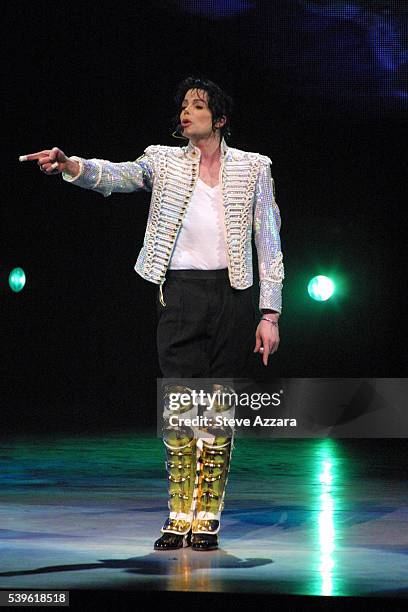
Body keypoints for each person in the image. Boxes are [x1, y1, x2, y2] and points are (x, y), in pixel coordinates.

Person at [19, 76, 284, 551]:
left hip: (231, 294)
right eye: (183, 106)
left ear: (219, 119)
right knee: (181, 408)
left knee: (217, 411)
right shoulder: (161, 160)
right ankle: (178, 513)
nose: (186, 113)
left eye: (197, 106)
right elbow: (118, 175)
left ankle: (207, 517)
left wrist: (270, 313)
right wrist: (70, 166)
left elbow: (269, 241)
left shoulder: (253, 168)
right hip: (180, 292)